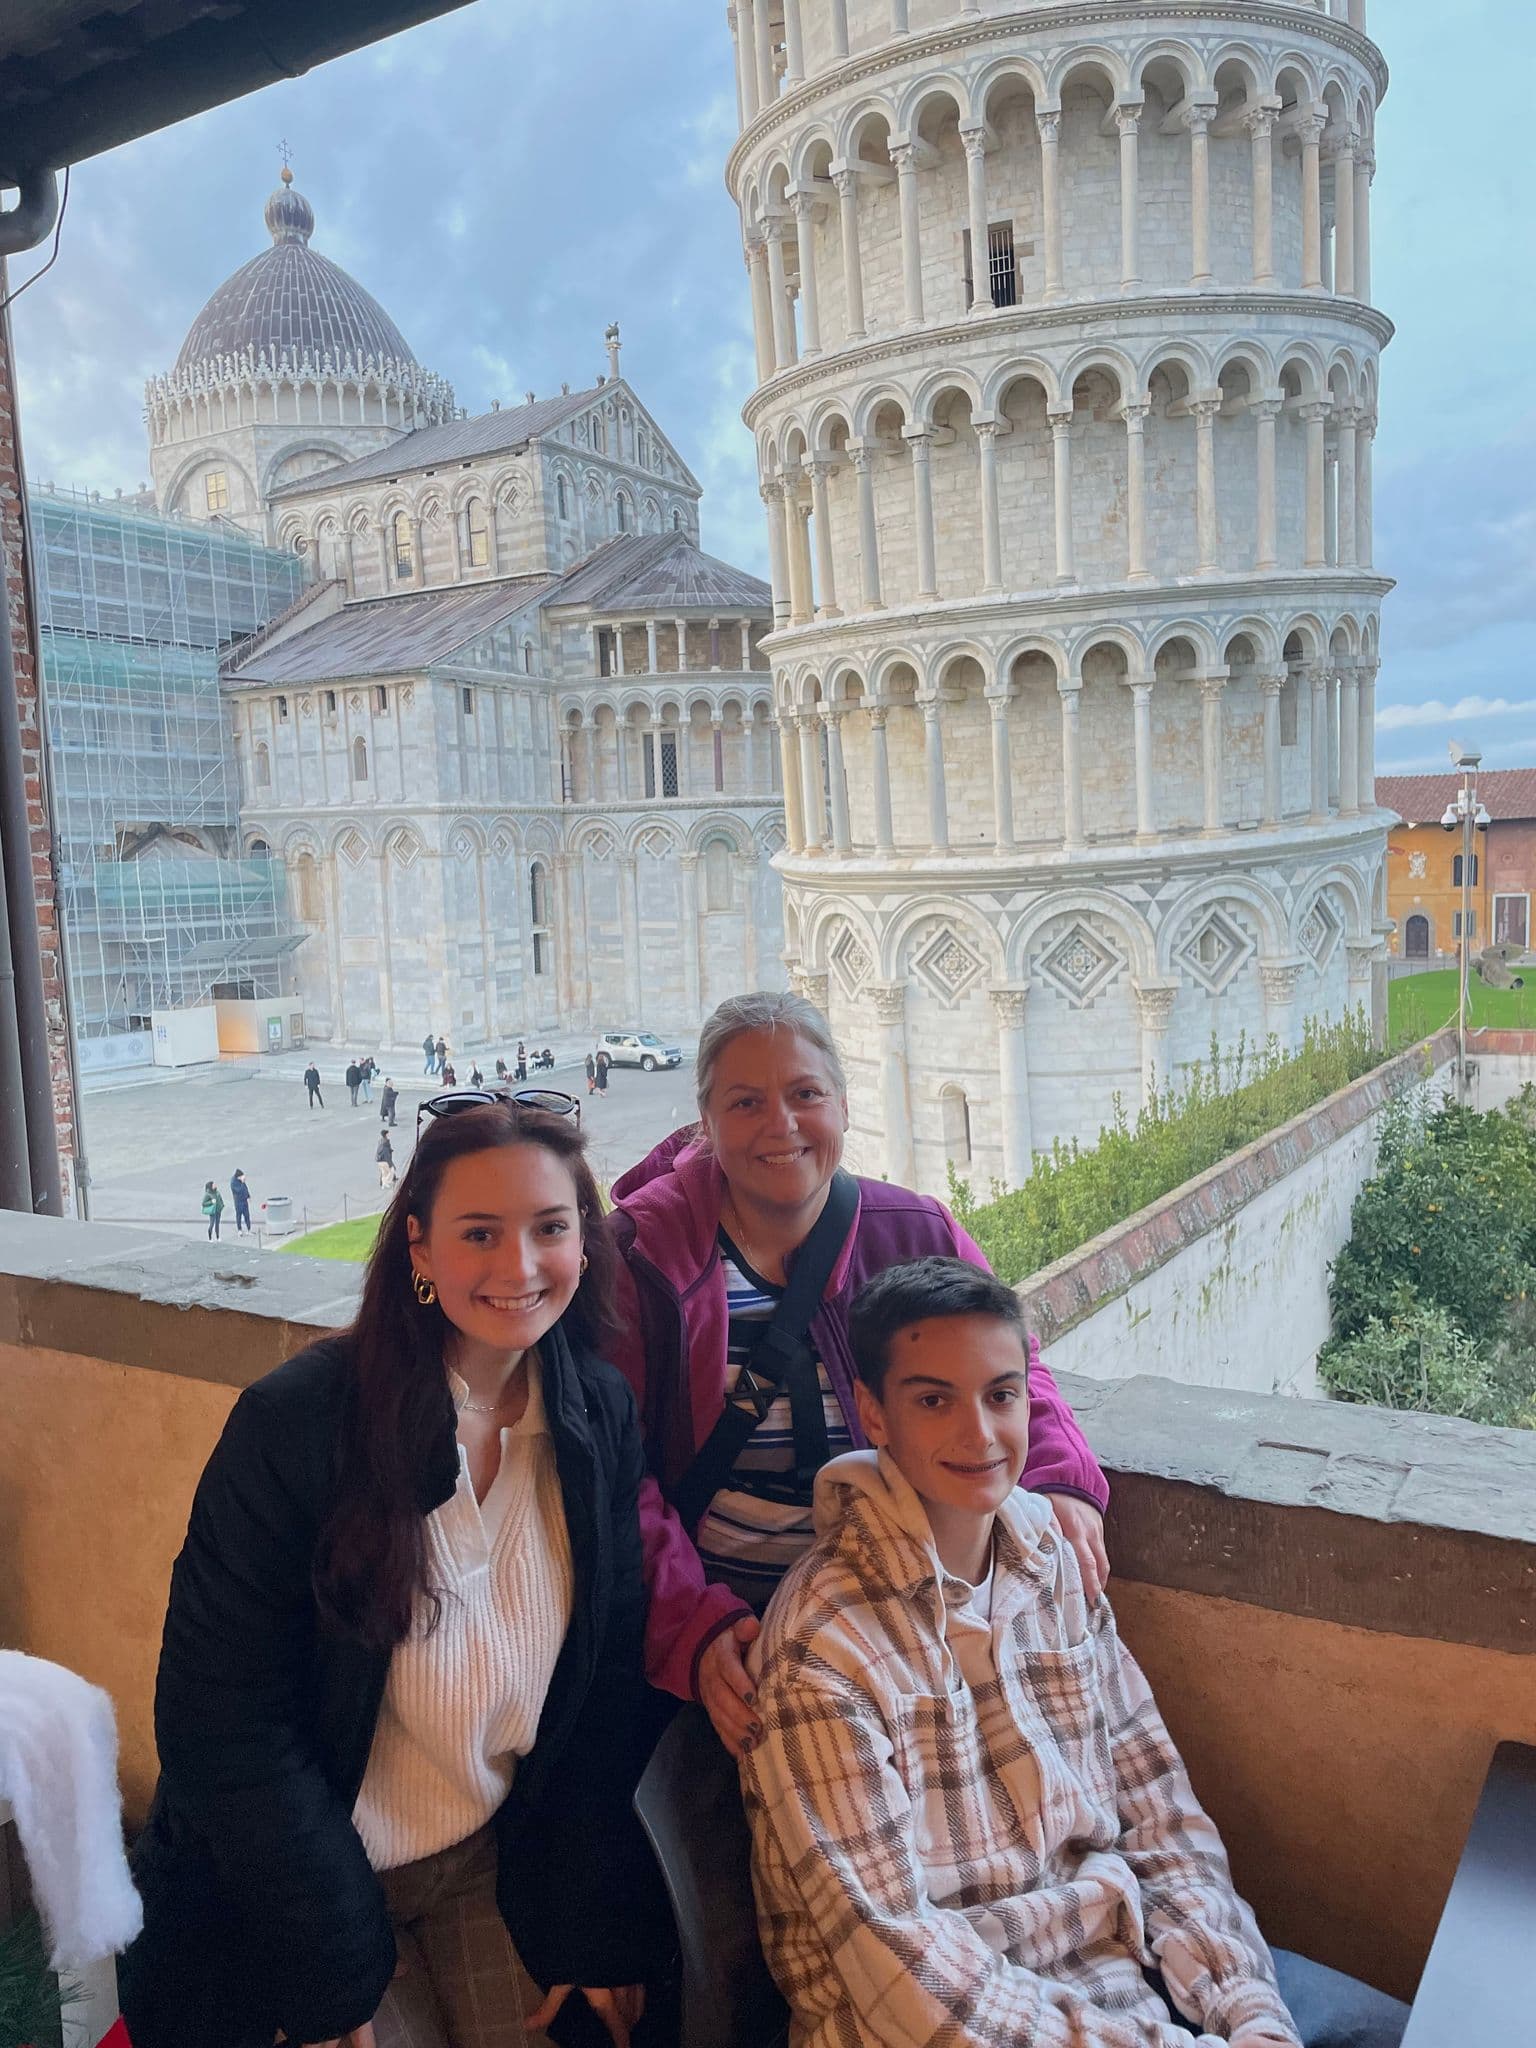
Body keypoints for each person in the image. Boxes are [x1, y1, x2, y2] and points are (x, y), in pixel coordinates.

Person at [741, 1258, 1410, 2048]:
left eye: (1001, 1395)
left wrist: (1248, 2011)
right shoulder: (823, 1650)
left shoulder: (1048, 1559)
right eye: (933, 1400)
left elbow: (1157, 1809)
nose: (979, 1434)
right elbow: (906, 1977)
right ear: (873, 1415)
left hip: (1126, 1970)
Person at [121, 1096, 667, 2048]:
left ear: (586, 1240)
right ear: (419, 1248)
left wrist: (588, 1916)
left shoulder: (597, 1414)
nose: (521, 1266)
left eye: (550, 1228)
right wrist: (332, 1972)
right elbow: (223, 1721)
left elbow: (606, 1684)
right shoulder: (296, 1426)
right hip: (294, 1882)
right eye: (479, 1233)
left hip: (484, 1858)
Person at [606, 989, 1107, 1754]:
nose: (782, 1124)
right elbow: (615, 1474)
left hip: (893, 1611)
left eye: (806, 1094)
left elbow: (1014, 1369)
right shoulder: (643, 1257)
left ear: (842, 1105)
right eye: (746, 1103)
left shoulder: (912, 1231)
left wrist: (1060, 1480)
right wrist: (693, 1628)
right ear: (706, 1121)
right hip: (728, 1627)